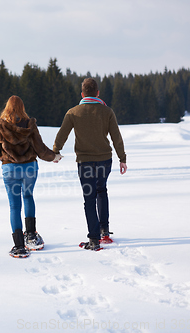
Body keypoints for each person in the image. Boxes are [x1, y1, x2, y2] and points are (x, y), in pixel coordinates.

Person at [53, 78, 127, 251]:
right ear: (98, 93)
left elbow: (62, 135)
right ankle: (104, 230)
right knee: (102, 190)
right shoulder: (107, 111)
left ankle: (94, 240)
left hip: (85, 162)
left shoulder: (73, 112)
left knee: (89, 198)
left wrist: (56, 152)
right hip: (105, 161)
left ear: (82, 94)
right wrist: (122, 158)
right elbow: (116, 137)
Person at [0, 95, 62, 258]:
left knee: (14, 206)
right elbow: (40, 148)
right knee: (28, 196)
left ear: (6, 107)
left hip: (10, 169)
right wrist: (54, 157)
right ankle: (31, 236)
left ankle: (19, 246)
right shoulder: (30, 125)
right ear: (22, 108)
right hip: (29, 168)